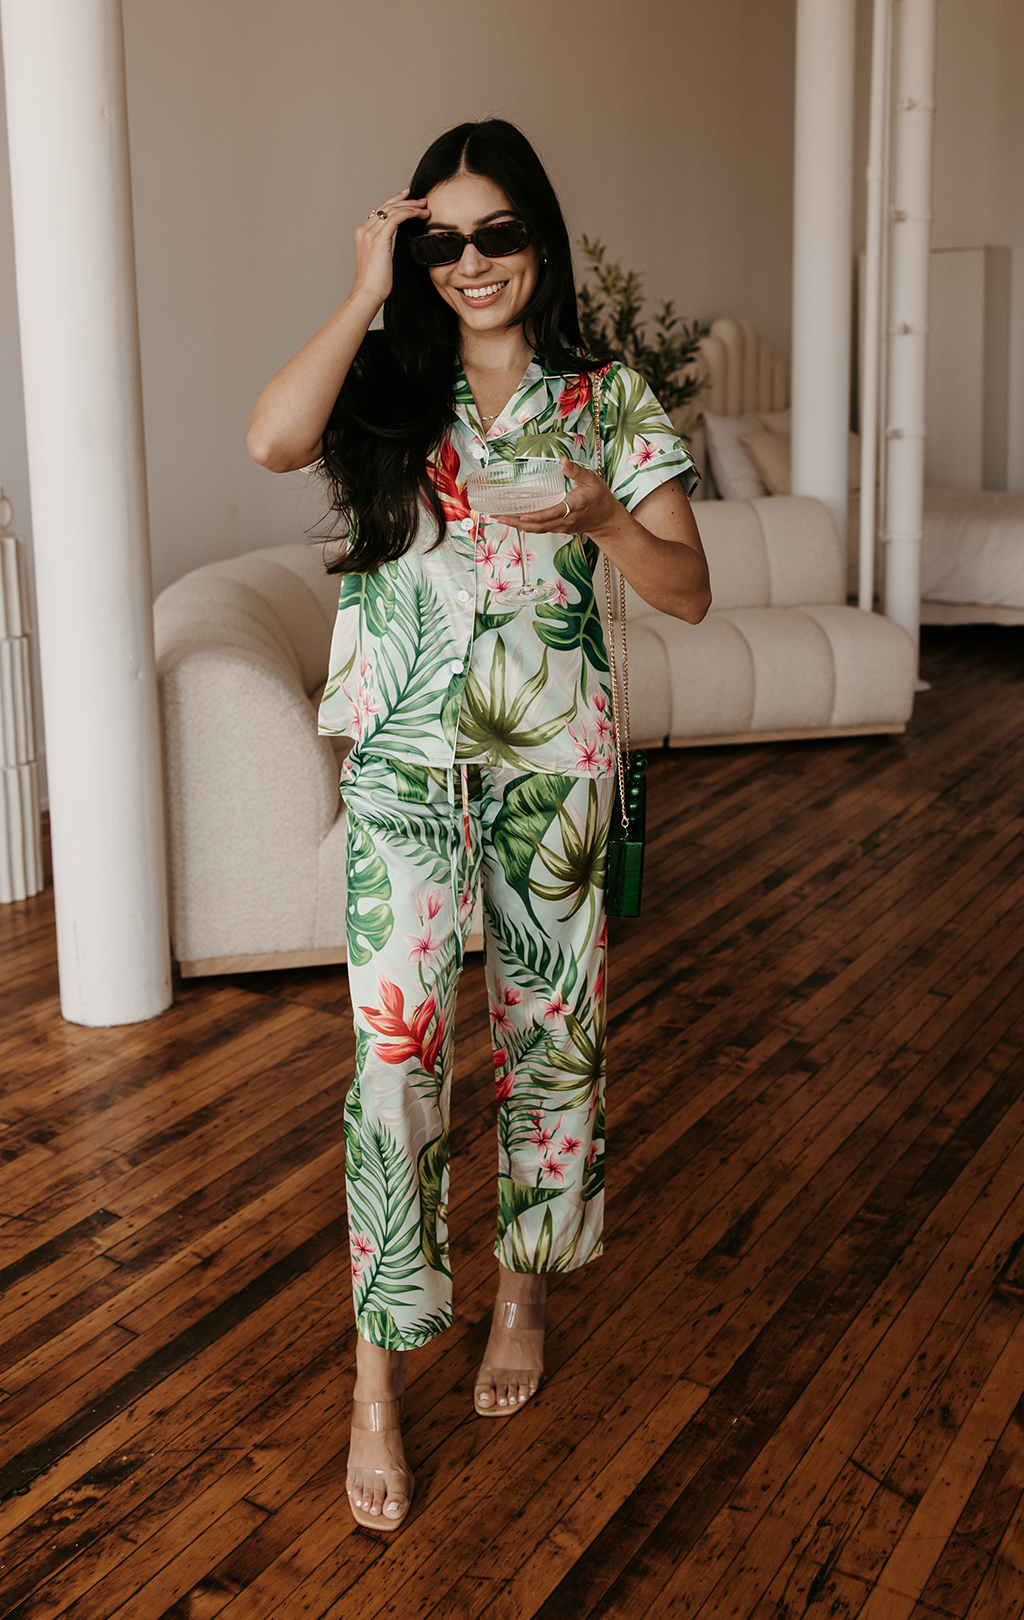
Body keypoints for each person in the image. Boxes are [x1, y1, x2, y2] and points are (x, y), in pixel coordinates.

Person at [248, 118, 710, 1532]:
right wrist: (362, 288)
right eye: (440, 240)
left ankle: (522, 1293)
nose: (472, 262)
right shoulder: (390, 384)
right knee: (394, 1069)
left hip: (551, 763)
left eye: (496, 232)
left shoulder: (607, 397)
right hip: (401, 770)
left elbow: (688, 589)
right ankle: (376, 1384)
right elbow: (271, 438)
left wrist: (603, 517)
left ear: (539, 240)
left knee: (547, 1038)